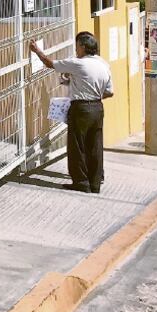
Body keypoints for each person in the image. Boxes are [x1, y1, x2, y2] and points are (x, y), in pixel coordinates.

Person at [29, 32, 114, 194]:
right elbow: (109, 92)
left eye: (77, 47)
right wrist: (88, 93)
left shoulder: (78, 63)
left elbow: (49, 63)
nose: (76, 50)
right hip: (97, 108)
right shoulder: (103, 64)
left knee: (77, 146)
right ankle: (95, 183)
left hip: (81, 109)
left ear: (82, 46)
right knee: (94, 146)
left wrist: (36, 50)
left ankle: (81, 182)